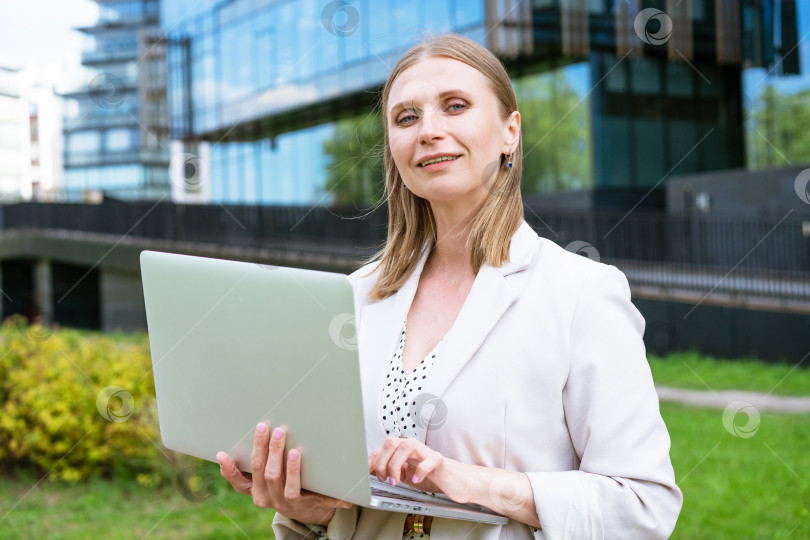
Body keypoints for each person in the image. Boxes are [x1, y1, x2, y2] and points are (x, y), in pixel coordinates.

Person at [217, 33, 683, 539]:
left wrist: (470, 483)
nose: (429, 131)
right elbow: (345, 505)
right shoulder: (354, 295)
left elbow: (642, 507)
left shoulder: (580, 294)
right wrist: (310, 509)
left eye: (455, 106)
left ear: (511, 131)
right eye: (406, 117)